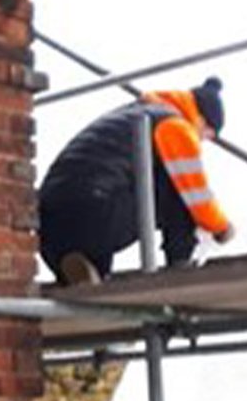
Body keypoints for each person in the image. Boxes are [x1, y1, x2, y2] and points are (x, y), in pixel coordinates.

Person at [39, 76, 236, 285]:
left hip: (48, 224)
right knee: (177, 185)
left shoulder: (130, 115)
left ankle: (86, 269)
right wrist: (222, 228)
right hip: (96, 214)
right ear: (202, 120)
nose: (202, 140)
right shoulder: (174, 125)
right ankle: (181, 267)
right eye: (207, 135)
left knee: (90, 258)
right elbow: (197, 197)